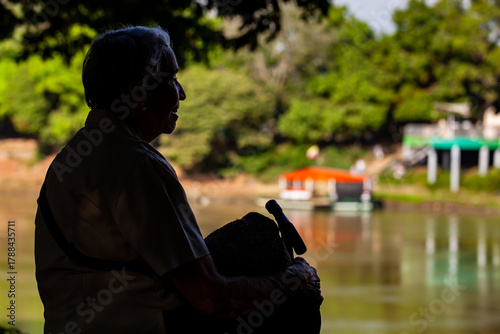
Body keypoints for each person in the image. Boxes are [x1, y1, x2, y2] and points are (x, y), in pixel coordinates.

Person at [34, 26, 322, 333]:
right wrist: (294, 279)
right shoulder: (137, 166)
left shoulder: (75, 155)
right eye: (171, 79)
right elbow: (210, 297)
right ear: (138, 92)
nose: (181, 92)